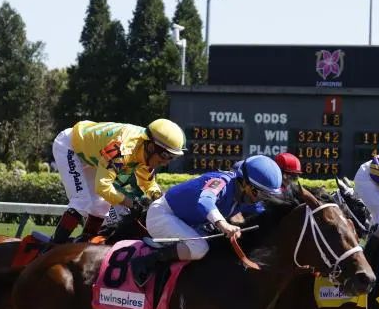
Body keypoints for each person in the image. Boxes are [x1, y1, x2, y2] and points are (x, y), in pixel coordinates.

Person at [133, 155, 284, 286]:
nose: (260, 200)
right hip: (162, 215)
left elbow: (268, 215)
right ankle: (148, 261)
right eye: (260, 194)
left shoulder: (247, 198)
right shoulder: (221, 181)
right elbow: (205, 201)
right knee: (199, 248)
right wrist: (223, 224)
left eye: (266, 196)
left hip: (186, 222)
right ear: (245, 183)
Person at [51, 118, 185, 243]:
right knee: (82, 201)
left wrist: (159, 199)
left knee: (101, 206)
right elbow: (103, 187)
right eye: (163, 158)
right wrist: (130, 203)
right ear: (151, 148)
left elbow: (148, 183)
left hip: (91, 156)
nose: (164, 164)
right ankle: (53, 247)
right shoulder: (122, 150)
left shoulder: (145, 149)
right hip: (69, 146)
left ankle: (85, 243)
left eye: (171, 159)